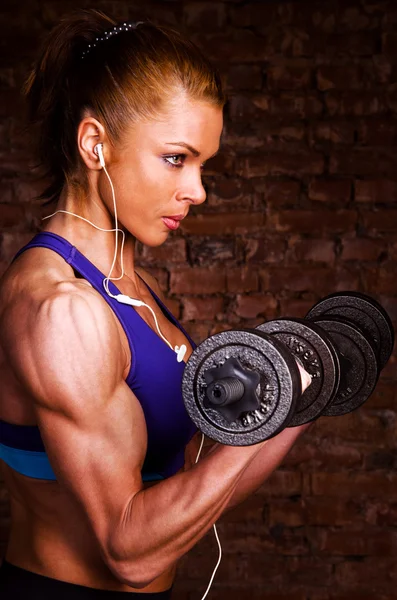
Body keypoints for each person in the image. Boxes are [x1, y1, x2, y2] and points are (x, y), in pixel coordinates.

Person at [0, 9, 312, 599]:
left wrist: (301, 399)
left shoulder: (132, 290)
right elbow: (129, 552)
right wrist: (280, 408)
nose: (196, 191)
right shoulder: (61, 311)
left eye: (202, 165)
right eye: (177, 158)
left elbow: (192, 490)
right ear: (96, 145)